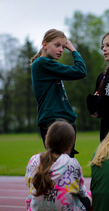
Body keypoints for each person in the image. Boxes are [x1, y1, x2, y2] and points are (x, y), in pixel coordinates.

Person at [22, 121, 95, 211]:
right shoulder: (72, 163)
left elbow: (29, 183)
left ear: (46, 138)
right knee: (90, 197)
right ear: (70, 145)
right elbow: (80, 191)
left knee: (47, 203)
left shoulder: (34, 159)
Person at [31, 29, 87, 157]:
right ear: (44, 45)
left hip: (61, 119)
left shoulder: (46, 65)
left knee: (64, 167)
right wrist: (72, 49)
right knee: (61, 168)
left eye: (63, 46)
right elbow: (80, 71)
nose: (62, 49)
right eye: (57, 45)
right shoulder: (42, 63)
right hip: (55, 121)